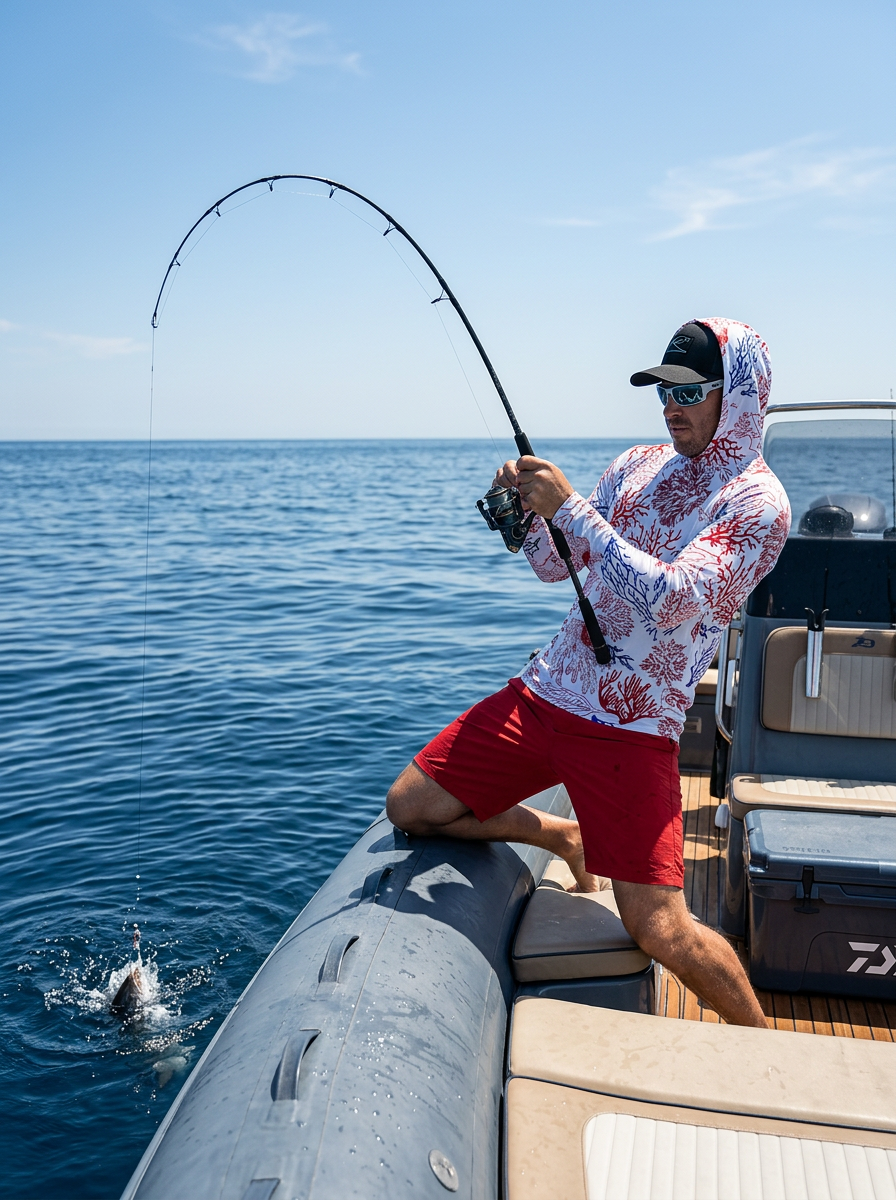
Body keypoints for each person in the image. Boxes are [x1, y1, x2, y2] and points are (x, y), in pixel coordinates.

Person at [386, 318, 790, 1027]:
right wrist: (526, 516)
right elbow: (555, 565)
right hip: (547, 692)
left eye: (691, 391)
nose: (672, 406)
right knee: (411, 806)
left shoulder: (757, 504)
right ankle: (560, 835)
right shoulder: (637, 463)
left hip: (630, 730)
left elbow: (671, 602)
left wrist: (572, 509)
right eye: (664, 392)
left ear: (741, 395)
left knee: (661, 931)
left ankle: (767, 1052)